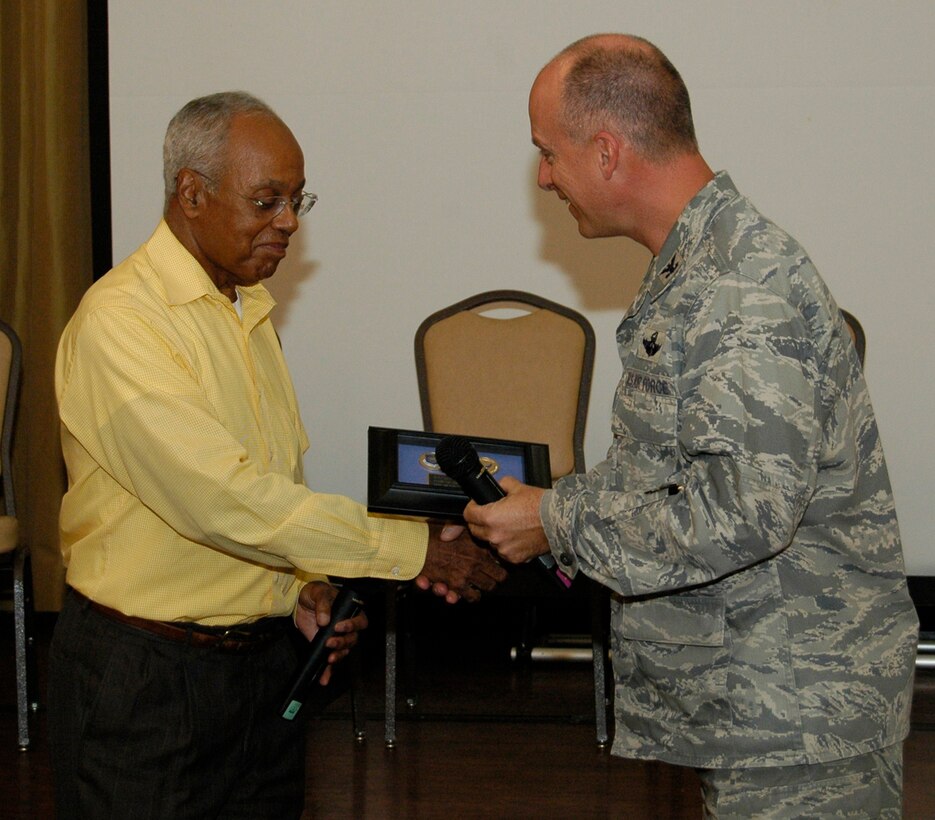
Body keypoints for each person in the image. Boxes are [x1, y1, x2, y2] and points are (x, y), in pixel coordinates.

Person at [464, 35, 918, 818]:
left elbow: (744, 512)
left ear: (606, 151)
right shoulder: (702, 267)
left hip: (796, 726)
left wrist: (557, 519)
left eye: (548, 153)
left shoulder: (738, 287)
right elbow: (674, 471)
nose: (543, 177)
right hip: (760, 709)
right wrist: (548, 505)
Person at [50, 91, 506, 819]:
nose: (289, 222)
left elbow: (266, 490)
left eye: (297, 200)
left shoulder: (247, 311)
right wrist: (409, 551)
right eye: (267, 200)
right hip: (147, 683)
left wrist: (301, 589)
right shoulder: (121, 325)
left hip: (258, 678)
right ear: (191, 194)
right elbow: (220, 501)